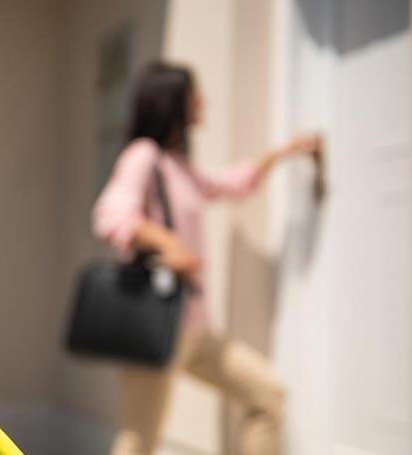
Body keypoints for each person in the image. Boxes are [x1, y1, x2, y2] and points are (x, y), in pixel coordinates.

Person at [93, 62, 321, 455]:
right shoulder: (142, 155)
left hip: (197, 332)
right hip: (156, 329)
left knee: (268, 397)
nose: (202, 102)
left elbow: (231, 183)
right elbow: (110, 214)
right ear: (173, 103)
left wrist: (286, 152)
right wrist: (168, 242)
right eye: (193, 95)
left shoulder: (178, 167)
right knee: (138, 443)